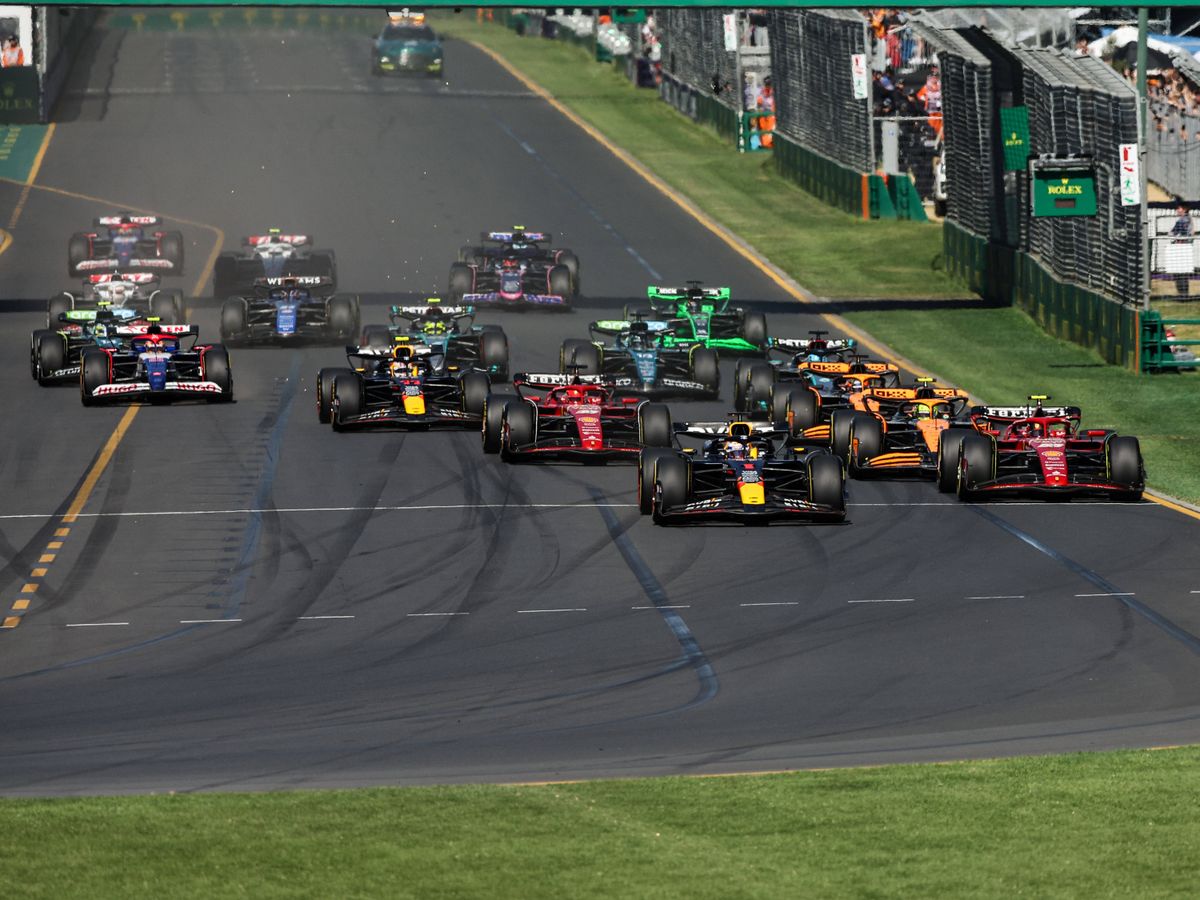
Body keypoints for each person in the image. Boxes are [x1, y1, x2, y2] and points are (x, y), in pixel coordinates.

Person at [1171, 203, 1194, 297]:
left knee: (1180, 272)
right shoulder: (1187, 219)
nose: (1177, 210)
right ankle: (1183, 293)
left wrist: (1174, 235)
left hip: (1181, 248)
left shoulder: (1184, 220)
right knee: (1181, 272)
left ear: (1184, 209)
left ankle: (1183, 294)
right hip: (1182, 247)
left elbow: (1174, 232)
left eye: (1179, 208)